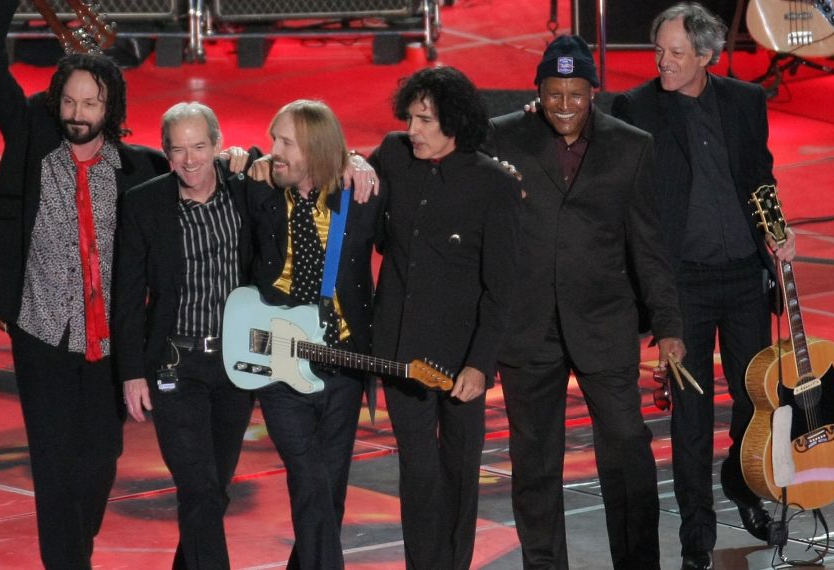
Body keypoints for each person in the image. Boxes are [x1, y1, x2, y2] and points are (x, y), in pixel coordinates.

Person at [0, 0, 169, 567]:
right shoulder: (31, 137)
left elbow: (203, 169)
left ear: (110, 107)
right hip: (41, 332)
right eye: (68, 100)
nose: (77, 112)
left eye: (89, 103)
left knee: (100, 460)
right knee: (53, 464)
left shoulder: (139, 170)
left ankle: (76, 545)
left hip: (109, 344)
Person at [484, 35, 686, 570]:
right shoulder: (502, 139)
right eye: (554, 95)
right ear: (538, 92)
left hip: (604, 322)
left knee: (627, 447)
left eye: (576, 94)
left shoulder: (630, 146)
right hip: (527, 330)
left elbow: (650, 246)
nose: (565, 106)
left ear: (593, 92)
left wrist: (668, 327)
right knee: (534, 462)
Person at [611, 4, 796, 569]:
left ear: (706, 56)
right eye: (659, 51)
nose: (663, 62)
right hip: (681, 286)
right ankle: (698, 533)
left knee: (755, 400)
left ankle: (741, 487)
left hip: (743, 276)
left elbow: (758, 174)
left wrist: (778, 233)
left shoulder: (744, 102)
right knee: (690, 415)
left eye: (675, 53)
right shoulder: (636, 108)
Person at [369, 66, 521, 570]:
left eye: (424, 120)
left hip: (461, 361)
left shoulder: (494, 186)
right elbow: (355, 197)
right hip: (400, 352)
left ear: (452, 122)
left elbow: (500, 290)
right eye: (409, 117)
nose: (411, 129)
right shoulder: (392, 155)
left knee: (459, 469)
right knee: (417, 470)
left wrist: (480, 365)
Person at [112, 102, 260, 569]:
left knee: (213, 491)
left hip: (237, 363)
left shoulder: (245, 188)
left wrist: (355, 162)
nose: (190, 160)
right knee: (198, 488)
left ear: (218, 145)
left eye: (200, 147)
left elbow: (299, 165)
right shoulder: (144, 203)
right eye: (179, 150)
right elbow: (129, 296)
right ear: (166, 153)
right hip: (176, 364)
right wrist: (132, 374)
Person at [243, 99, 385, 569]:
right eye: (273, 140)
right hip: (280, 367)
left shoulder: (359, 199)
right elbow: (224, 162)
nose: (274, 150)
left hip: (343, 366)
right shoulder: (259, 191)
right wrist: (247, 158)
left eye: (286, 143)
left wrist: (359, 161)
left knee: (328, 492)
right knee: (309, 478)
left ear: (317, 149)